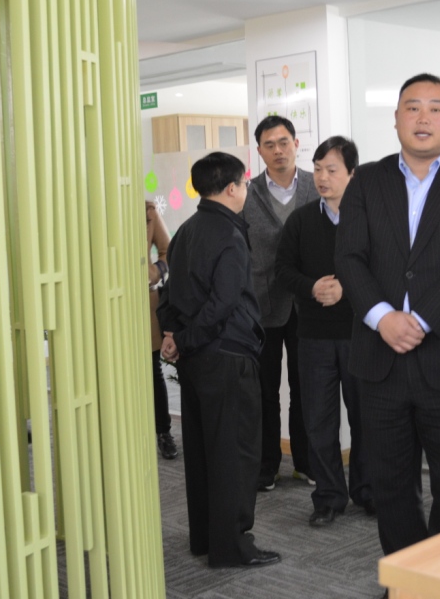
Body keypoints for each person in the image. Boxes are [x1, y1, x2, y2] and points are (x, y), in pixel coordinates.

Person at [335, 73, 440, 556]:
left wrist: (421, 319)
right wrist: (383, 317)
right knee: (390, 485)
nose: (423, 117)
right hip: (379, 361)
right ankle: (407, 582)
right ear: (396, 119)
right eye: (412, 107)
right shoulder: (367, 181)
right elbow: (349, 257)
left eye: (435, 108)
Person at [156, 152, 279, 568]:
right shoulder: (229, 234)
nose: (245, 190)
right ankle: (231, 547)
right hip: (227, 356)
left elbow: (168, 295)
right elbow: (224, 303)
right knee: (235, 454)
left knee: (203, 451)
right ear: (231, 188)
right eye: (243, 184)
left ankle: (205, 539)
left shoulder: (186, 230)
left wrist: (174, 336)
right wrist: (185, 338)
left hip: (195, 361)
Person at [275, 136, 373, 527]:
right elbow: (283, 270)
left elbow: (387, 268)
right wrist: (311, 287)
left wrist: (348, 288)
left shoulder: (369, 217)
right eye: (317, 169)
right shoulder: (300, 220)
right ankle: (329, 497)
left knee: (366, 417)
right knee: (318, 419)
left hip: (360, 334)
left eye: (331, 170)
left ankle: (367, 490)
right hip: (313, 336)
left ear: (352, 173)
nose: (322, 177)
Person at [243, 115, 319, 491]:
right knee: (264, 390)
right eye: (269, 144)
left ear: (296, 144)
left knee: (307, 388)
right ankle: (267, 465)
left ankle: (305, 462)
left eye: (284, 142)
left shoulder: (317, 185)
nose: (278, 150)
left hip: (310, 305)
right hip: (262, 305)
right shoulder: (245, 193)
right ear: (259, 150)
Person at [145, 200, 178, 459]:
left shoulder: (147, 211)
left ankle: (163, 432)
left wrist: (154, 272)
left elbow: (169, 250)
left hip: (143, 303)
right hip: (102, 306)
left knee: (152, 370)